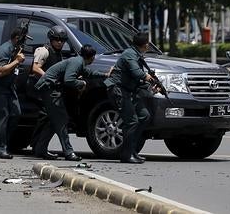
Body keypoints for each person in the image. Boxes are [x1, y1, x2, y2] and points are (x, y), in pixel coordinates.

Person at [33, 45, 110, 160]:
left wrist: (105, 75)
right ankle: (68, 152)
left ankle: (40, 149)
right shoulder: (77, 63)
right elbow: (69, 80)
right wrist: (81, 84)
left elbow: (89, 73)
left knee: (52, 121)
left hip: (50, 89)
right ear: (92, 57)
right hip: (50, 90)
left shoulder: (79, 61)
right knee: (62, 120)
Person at [104, 32, 154, 164]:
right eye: (147, 43)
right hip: (118, 90)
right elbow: (136, 72)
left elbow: (137, 80)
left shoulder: (137, 54)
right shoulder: (129, 54)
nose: (149, 45)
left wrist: (151, 86)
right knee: (132, 122)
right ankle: (126, 154)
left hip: (128, 91)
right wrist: (146, 76)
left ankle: (132, 150)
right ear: (144, 44)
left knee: (144, 117)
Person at [0, 27, 26, 159]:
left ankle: (4, 142)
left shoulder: (16, 49)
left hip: (8, 87)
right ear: (16, 39)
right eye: (23, 40)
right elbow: (1, 71)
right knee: (3, 115)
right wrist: (17, 61)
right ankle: (0, 148)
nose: (24, 43)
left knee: (16, 113)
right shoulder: (4, 50)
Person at [29, 26, 68, 154]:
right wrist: (49, 77)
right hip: (40, 90)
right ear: (51, 39)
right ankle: (37, 145)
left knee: (47, 118)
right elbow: (35, 68)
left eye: (62, 40)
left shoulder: (58, 53)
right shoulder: (44, 51)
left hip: (50, 90)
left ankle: (38, 146)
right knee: (45, 117)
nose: (59, 42)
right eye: (57, 39)